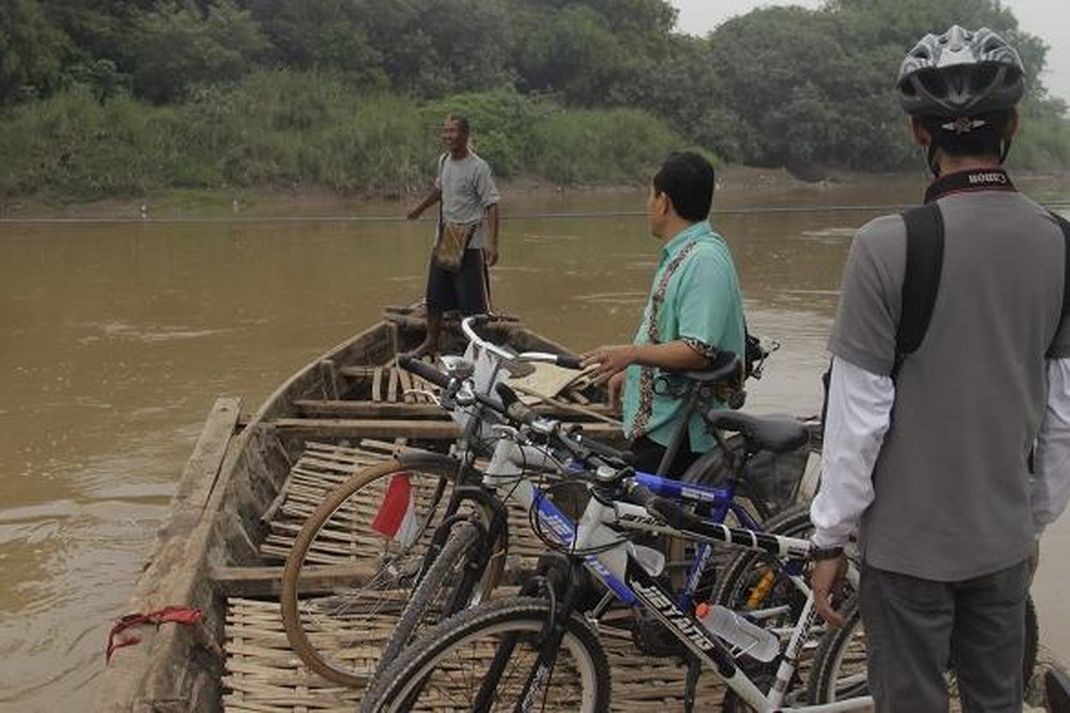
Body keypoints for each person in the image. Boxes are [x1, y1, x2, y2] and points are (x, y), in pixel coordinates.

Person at [810, 25, 1070, 711]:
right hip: (1003, 542)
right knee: (997, 699)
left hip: (904, 554)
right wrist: (1030, 517)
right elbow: (1063, 410)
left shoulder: (883, 246)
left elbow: (857, 417)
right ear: (1012, 123)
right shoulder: (1061, 244)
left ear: (919, 134)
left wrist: (828, 538)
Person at [582, 151, 746, 476]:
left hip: (680, 430)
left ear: (663, 202)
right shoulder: (683, 253)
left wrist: (630, 354)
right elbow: (664, 333)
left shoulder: (703, 261)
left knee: (640, 514)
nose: (648, 204)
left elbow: (698, 350)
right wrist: (631, 372)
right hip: (663, 419)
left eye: (650, 194)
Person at [406, 113, 500, 356]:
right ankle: (431, 341)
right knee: (435, 295)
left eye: (453, 131)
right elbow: (440, 189)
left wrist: (492, 244)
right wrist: (419, 208)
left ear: (465, 135)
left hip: (470, 241)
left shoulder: (478, 167)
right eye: (445, 131)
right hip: (447, 237)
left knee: (472, 304)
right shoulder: (444, 161)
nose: (448, 136)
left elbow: (491, 205)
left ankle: (476, 351)